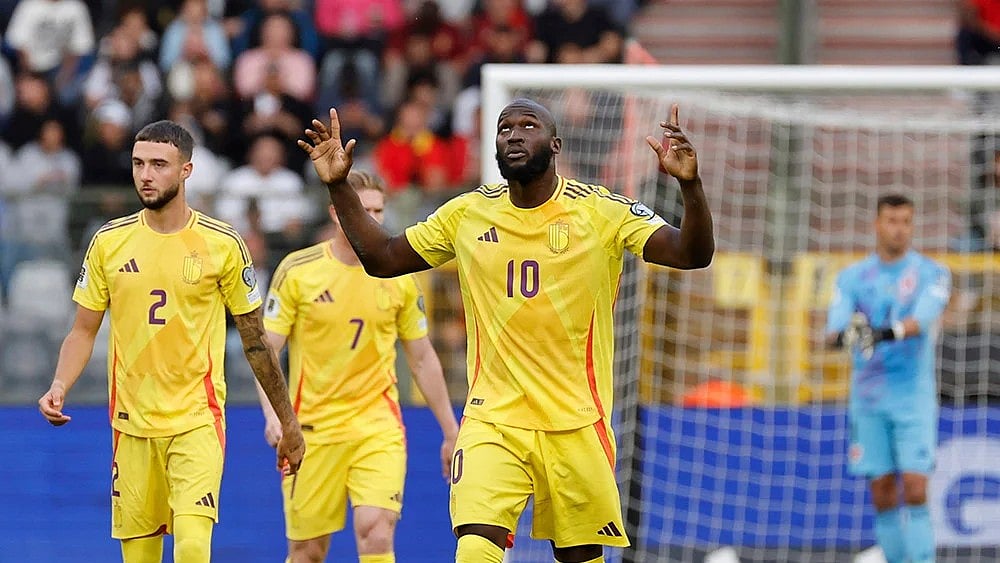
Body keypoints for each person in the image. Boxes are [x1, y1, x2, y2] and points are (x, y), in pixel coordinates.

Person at [298, 99, 715, 563]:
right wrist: (339, 186)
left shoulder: (601, 211)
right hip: (492, 418)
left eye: (528, 126)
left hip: (576, 421)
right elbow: (383, 258)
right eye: (504, 128)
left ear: (555, 145)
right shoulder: (467, 213)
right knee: (475, 547)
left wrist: (690, 185)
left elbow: (691, 254)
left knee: (581, 557)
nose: (513, 134)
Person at [37, 120, 306, 563]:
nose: (146, 175)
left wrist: (287, 421)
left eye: (159, 164)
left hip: (197, 419)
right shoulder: (109, 242)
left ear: (186, 170)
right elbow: (83, 330)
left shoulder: (222, 244)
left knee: (193, 547)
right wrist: (60, 384)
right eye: (138, 163)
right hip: (131, 424)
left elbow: (257, 342)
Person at [255, 169, 460, 563]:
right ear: (337, 213)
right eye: (363, 210)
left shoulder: (399, 275)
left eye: (378, 211)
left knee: (376, 532)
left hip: (377, 428)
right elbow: (265, 353)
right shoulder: (298, 270)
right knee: (308, 552)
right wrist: (273, 415)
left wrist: (451, 432)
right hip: (312, 431)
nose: (372, 219)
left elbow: (421, 357)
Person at [826, 194, 951, 563]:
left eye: (906, 222)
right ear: (877, 224)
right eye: (892, 221)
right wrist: (846, 335)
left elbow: (921, 320)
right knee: (881, 490)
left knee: (914, 486)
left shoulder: (932, 273)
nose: (899, 229)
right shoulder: (851, 278)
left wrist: (881, 333)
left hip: (913, 398)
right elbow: (833, 331)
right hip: (869, 399)